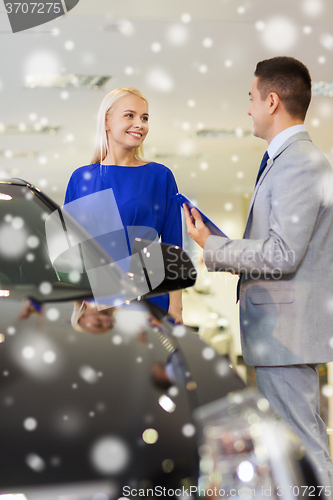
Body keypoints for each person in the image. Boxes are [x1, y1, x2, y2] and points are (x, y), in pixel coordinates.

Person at [184, 56, 333, 490]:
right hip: (278, 336)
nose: (247, 108)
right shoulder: (283, 160)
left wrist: (212, 247)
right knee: (291, 448)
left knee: (305, 448)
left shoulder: (299, 162)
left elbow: (283, 254)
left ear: (272, 101)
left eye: (251, 98)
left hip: (285, 335)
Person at [64, 87, 183, 323]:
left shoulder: (160, 176)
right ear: (107, 121)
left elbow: (173, 249)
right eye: (130, 115)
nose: (140, 124)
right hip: (95, 308)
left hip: (149, 305)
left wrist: (176, 308)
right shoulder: (81, 179)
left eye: (145, 118)